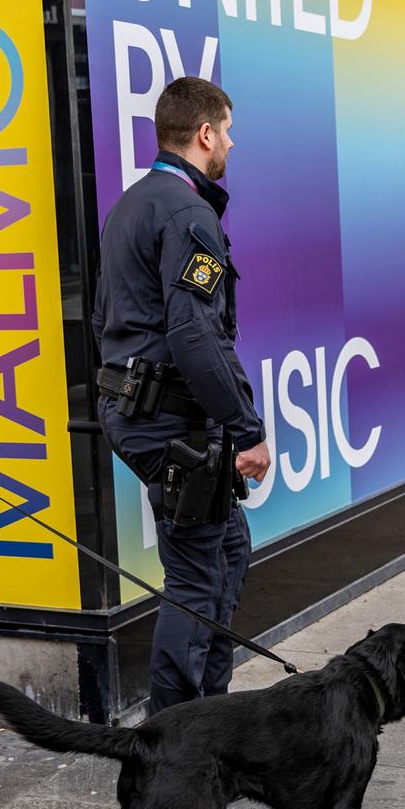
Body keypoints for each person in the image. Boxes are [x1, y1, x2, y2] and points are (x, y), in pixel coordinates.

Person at [91, 77, 272, 713]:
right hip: (171, 420)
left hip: (141, 409)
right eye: (228, 131)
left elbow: (103, 317)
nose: (232, 143)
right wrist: (246, 429)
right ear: (204, 134)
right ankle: (173, 733)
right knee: (196, 577)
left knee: (228, 548)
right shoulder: (189, 214)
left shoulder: (132, 204)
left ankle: (207, 714)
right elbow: (196, 334)